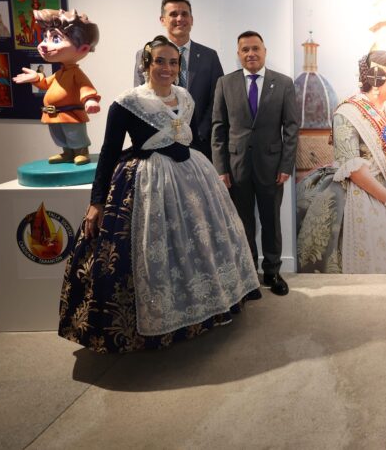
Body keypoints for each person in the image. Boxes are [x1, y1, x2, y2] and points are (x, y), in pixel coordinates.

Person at [58, 36, 261, 354]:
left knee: (200, 244)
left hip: (192, 176)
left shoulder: (185, 97)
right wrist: (96, 202)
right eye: (160, 61)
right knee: (152, 252)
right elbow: (109, 152)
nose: (167, 68)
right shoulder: (127, 102)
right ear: (147, 64)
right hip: (147, 183)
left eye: (173, 62)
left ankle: (208, 309)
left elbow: (189, 138)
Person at [296, 50, 386, 273]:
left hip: (384, 198)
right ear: (377, 77)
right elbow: (353, 168)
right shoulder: (347, 112)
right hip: (356, 198)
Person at [212, 31, 299, 295]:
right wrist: (221, 169)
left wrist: (286, 166)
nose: (251, 53)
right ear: (238, 54)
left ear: (264, 51)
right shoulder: (225, 83)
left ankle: (272, 272)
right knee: (242, 222)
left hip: (272, 167)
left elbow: (291, 128)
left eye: (255, 48)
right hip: (236, 167)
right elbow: (219, 128)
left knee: (271, 220)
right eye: (245, 49)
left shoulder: (283, 83)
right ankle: (248, 274)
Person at [133, 0, 223, 157]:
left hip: (200, 144)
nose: (180, 19)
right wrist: (161, 133)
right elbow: (141, 98)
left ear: (192, 20)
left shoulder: (209, 56)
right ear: (162, 20)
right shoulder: (145, 54)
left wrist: (199, 132)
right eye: (173, 14)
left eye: (184, 14)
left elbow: (217, 99)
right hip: (157, 145)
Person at [12, 10, 100, 165]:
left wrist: (90, 100)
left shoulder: (75, 73)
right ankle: (67, 152)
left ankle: (81, 151)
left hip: (71, 114)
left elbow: (85, 86)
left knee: (75, 134)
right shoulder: (60, 73)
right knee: (59, 135)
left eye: (56, 39)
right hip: (53, 114)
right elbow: (46, 83)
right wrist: (36, 78)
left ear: (83, 49)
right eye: (45, 37)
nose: (43, 45)